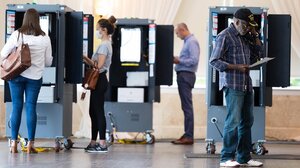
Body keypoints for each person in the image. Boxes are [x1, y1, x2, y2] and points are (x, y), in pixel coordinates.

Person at [209, 8, 263, 167]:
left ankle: (244, 157)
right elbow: (214, 61)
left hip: (246, 84)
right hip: (233, 84)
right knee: (233, 121)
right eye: (246, 25)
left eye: (250, 26)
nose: (248, 28)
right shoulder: (224, 36)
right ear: (237, 21)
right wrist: (236, 67)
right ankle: (226, 158)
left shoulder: (246, 37)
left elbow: (256, 56)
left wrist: (256, 37)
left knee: (247, 121)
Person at [1, 8, 53, 153]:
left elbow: (3, 54)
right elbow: (48, 62)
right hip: (35, 77)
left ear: (25, 19)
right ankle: (30, 144)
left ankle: (13, 144)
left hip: (16, 76)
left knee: (17, 107)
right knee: (31, 107)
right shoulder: (45, 38)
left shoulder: (17, 35)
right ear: (37, 20)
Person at [82, 16, 116, 153]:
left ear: (104, 30)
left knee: (98, 111)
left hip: (99, 79)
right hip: (99, 80)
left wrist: (86, 58)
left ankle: (102, 143)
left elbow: (99, 65)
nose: (96, 31)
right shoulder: (106, 44)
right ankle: (93, 141)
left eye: (97, 29)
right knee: (93, 111)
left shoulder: (104, 45)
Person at [171, 23, 200, 145]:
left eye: (177, 33)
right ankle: (187, 134)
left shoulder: (192, 41)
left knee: (187, 107)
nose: (177, 36)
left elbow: (194, 60)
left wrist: (179, 60)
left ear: (183, 30)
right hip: (184, 75)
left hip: (186, 76)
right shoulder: (188, 42)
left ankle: (189, 136)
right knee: (186, 107)